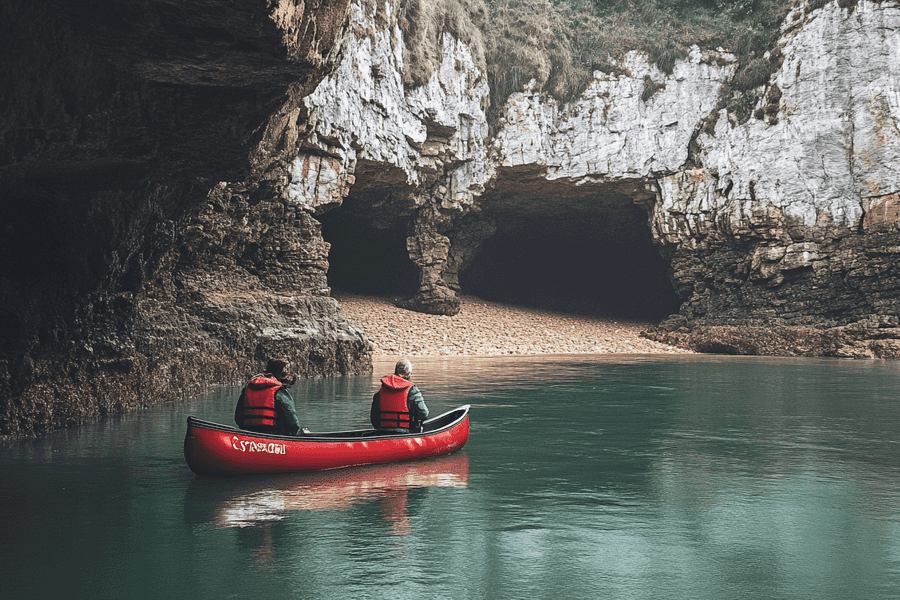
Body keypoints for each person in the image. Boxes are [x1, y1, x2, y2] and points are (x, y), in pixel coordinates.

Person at [234, 358, 305, 436]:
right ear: (281, 375)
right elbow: (293, 424)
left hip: (249, 435)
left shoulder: (247, 389)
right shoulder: (280, 393)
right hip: (275, 438)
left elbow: (238, 418)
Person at [370, 359, 429, 433]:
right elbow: (424, 413)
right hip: (406, 432)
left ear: (395, 371)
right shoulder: (412, 390)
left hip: (382, 432)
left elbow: (374, 419)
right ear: (409, 373)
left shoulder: (380, 392)